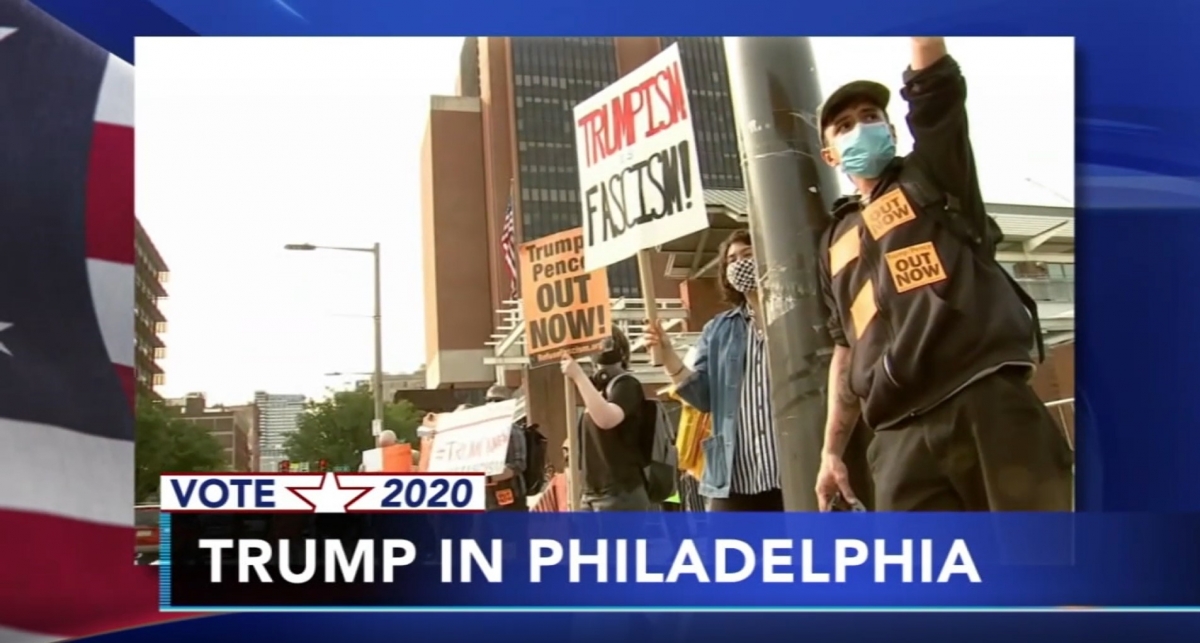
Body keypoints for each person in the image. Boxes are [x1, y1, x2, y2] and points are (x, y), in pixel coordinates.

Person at [813, 37, 1073, 512]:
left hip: (985, 401)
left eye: (871, 117)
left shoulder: (932, 173)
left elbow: (934, 92)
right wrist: (832, 450)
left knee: (1043, 572)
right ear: (830, 155)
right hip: (899, 437)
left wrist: (922, 37)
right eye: (844, 126)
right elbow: (845, 348)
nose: (860, 129)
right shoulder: (833, 241)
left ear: (892, 129)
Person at [644, 230, 783, 512]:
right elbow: (702, 397)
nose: (739, 264)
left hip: (787, 466)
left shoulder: (791, 315)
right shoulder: (719, 330)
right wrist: (669, 355)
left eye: (747, 255)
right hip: (734, 475)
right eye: (731, 260)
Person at [561, 328, 653, 511]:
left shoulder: (627, 385)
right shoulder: (596, 392)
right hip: (590, 494)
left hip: (620, 493)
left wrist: (578, 376)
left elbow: (607, 419)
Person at [481, 384, 529, 512]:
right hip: (488, 502)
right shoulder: (481, 432)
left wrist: (488, 478)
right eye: (489, 400)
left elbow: (518, 465)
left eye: (497, 400)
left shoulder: (512, 431)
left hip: (511, 500)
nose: (492, 404)